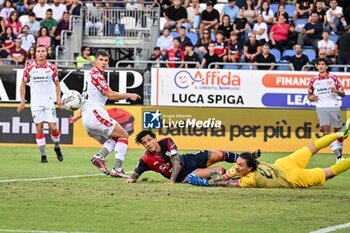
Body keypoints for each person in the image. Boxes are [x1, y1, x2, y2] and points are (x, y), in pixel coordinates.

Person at [188, 120, 350, 188]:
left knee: (328, 173)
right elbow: (224, 178)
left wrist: (206, 184)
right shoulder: (241, 169)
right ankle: (339, 135)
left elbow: (227, 184)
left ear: (250, 167)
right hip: (283, 164)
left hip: (292, 178)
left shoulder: (251, 179)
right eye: (237, 163)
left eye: (240, 165)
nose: (236, 167)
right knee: (311, 147)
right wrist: (214, 180)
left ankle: (339, 135)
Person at [68, 50, 141, 177]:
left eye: (106, 60)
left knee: (116, 137)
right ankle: (117, 169)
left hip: (89, 115)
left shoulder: (91, 75)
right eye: (101, 60)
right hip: (95, 114)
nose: (103, 63)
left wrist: (77, 116)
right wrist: (129, 95)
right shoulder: (96, 75)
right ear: (95, 61)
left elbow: (86, 98)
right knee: (124, 134)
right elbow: (110, 95)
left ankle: (99, 157)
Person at [125, 130, 260, 184]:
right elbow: (135, 175)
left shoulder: (167, 142)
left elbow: (176, 161)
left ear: (155, 138)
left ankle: (248, 157)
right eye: (144, 143)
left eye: (149, 140)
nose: (148, 144)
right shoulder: (145, 160)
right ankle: (237, 179)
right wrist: (131, 180)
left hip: (189, 160)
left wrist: (171, 180)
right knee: (219, 172)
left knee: (219, 154)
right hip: (185, 175)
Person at [17, 45, 63, 163]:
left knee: (53, 128)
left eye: (43, 51)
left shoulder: (52, 67)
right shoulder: (29, 67)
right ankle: (43, 155)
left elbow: (57, 84)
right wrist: (22, 101)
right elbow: (23, 84)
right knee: (39, 128)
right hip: (36, 103)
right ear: (35, 54)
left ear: (46, 53)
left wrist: (58, 98)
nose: (41, 53)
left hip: (48, 101)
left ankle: (57, 146)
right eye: (38, 51)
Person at [308, 57, 345, 162]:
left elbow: (343, 94)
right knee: (326, 133)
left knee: (338, 133)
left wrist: (336, 91)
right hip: (321, 107)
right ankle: (338, 156)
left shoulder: (333, 78)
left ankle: (340, 153)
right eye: (319, 64)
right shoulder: (313, 80)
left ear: (326, 66)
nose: (321, 66)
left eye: (323, 64)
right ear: (316, 66)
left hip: (334, 106)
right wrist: (311, 98)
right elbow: (309, 95)